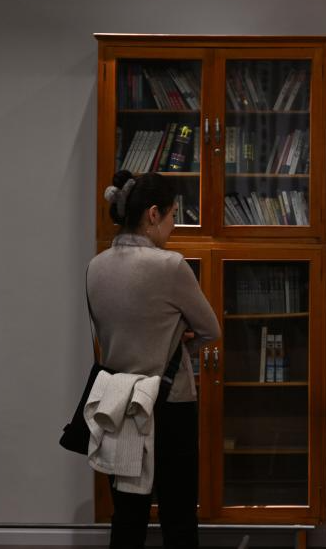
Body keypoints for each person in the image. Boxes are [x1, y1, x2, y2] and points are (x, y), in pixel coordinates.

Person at [87, 169, 220, 549]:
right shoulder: (170, 266)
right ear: (153, 214)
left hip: (118, 404)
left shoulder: (95, 267)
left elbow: (106, 334)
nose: (174, 225)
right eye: (173, 215)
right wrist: (176, 346)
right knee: (178, 516)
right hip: (169, 404)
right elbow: (210, 330)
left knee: (127, 517)